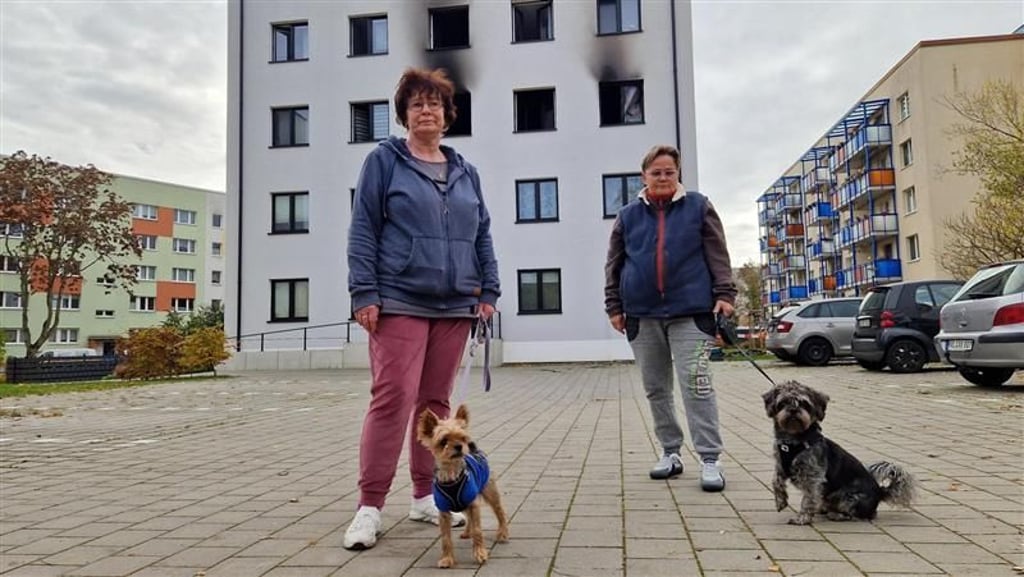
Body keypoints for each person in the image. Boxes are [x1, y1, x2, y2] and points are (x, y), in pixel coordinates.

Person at [344, 67, 500, 550]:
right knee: (393, 400)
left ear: (447, 115)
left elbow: (482, 233)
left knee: (434, 406)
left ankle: (424, 496)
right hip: (400, 299)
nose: (426, 110)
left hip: (456, 304)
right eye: (416, 104)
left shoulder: (465, 171)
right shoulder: (384, 162)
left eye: (434, 103)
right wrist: (363, 292)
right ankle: (369, 507)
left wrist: (488, 291)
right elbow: (363, 228)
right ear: (405, 115)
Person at [604, 144, 736, 492]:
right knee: (656, 389)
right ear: (644, 176)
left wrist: (725, 295)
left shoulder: (698, 206)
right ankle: (670, 452)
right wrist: (614, 305)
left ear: (678, 175)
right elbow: (614, 264)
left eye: (669, 172)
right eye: (656, 172)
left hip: (691, 313)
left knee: (697, 385)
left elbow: (717, 253)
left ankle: (709, 458)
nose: (663, 177)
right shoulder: (628, 215)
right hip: (642, 315)